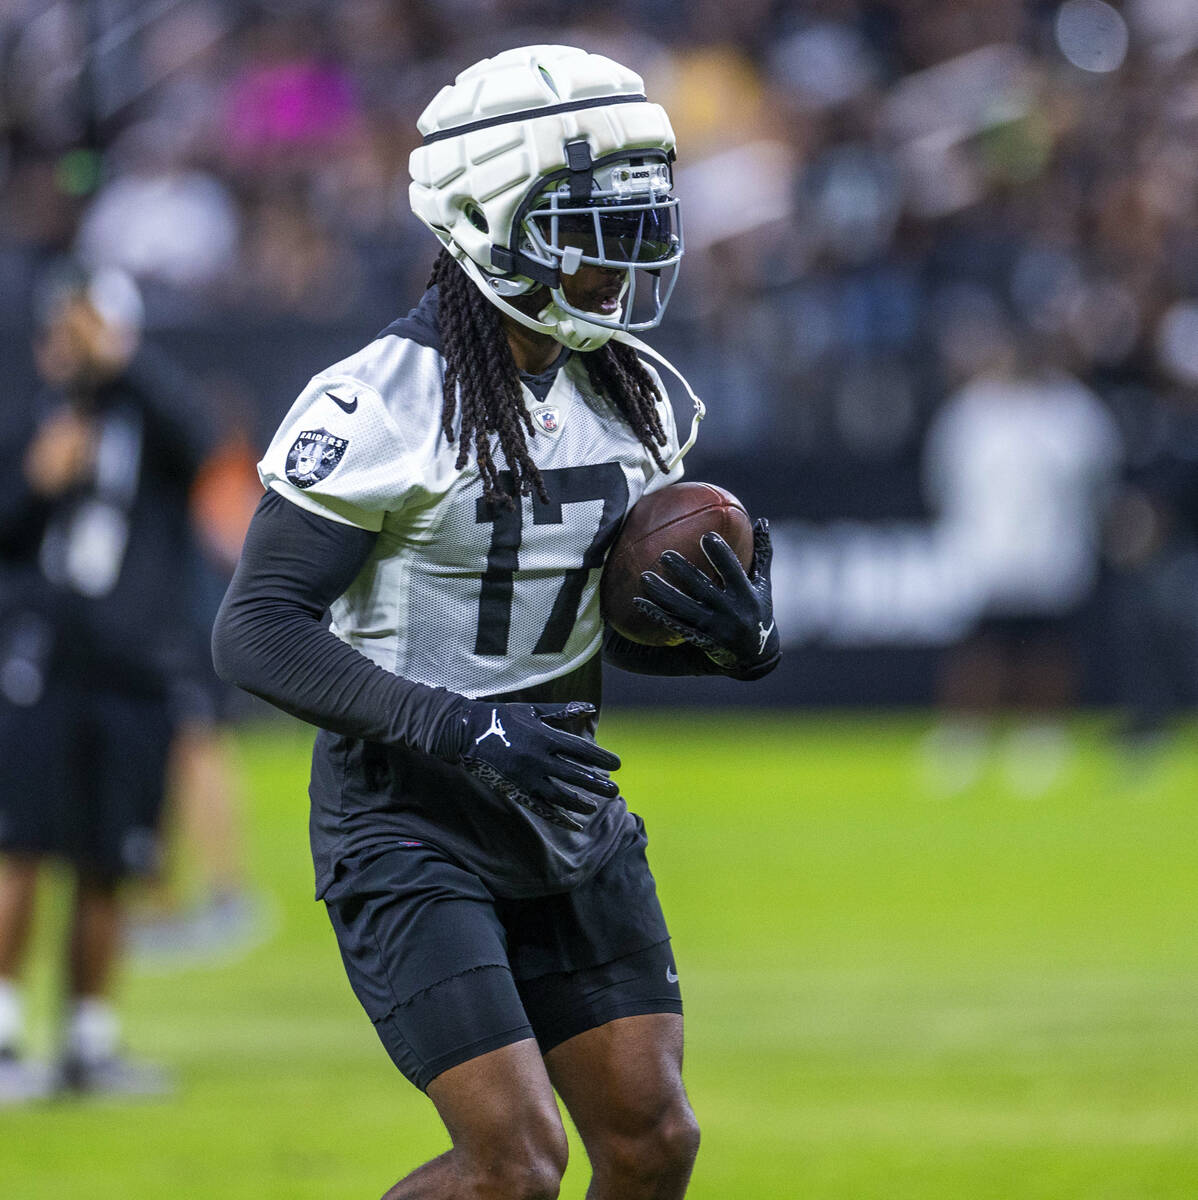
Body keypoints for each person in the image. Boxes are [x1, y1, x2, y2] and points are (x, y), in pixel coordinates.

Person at [212, 45, 780, 1200]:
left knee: (654, 1141)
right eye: (589, 223)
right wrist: (461, 731)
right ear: (486, 221)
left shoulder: (634, 390)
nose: (625, 257)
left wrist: (727, 639)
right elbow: (257, 629)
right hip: (408, 813)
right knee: (514, 1164)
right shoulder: (380, 403)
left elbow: (583, 630)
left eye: (638, 219)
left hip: (561, 795)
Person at [0, 265, 213, 1101]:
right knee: (18, 848)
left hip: (132, 665)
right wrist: (34, 483)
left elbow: (197, 444)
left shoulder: (151, 413)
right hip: (40, 659)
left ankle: (89, 1043)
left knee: (112, 857)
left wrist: (119, 363)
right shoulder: (27, 413)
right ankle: (8, 1039)